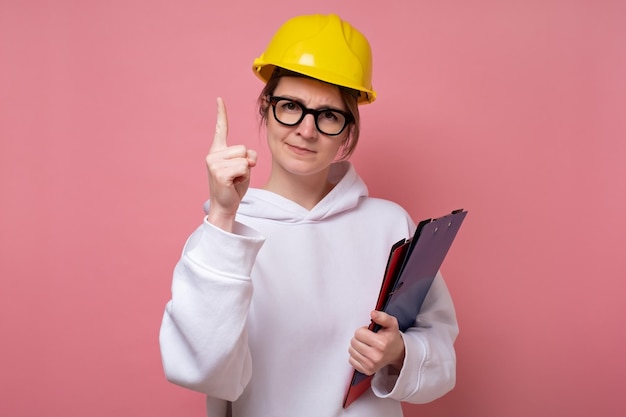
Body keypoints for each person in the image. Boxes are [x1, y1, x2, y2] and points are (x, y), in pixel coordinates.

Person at [159, 13, 458, 417]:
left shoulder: (390, 225)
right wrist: (225, 218)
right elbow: (200, 368)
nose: (306, 129)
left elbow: (440, 352)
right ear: (265, 109)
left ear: (348, 128)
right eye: (290, 106)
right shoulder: (222, 233)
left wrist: (401, 351)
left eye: (328, 115)